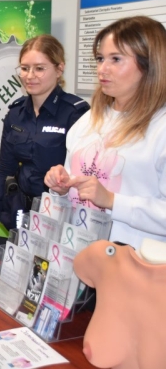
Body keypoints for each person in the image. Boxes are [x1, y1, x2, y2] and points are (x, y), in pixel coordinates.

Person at [45, 16, 166, 249]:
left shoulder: (160, 126)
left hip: (138, 269)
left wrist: (112, 201)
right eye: (100, 59)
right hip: (82, 256)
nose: (103, 68)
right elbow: (74, 182)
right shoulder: (89, 120)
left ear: (150, 63)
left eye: (116, 59)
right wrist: (61, 186)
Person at [0, 35, 89, 255]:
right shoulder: (16, 113)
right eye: (25, 68)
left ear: (59, 69)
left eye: (39, 68)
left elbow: (84, 175)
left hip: (59, 214)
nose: (30, 76)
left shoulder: (76, 113)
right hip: (20, 210)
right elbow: (4, 170)